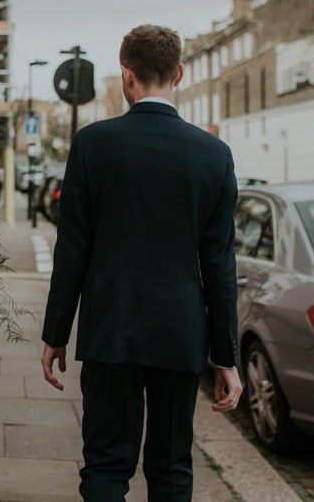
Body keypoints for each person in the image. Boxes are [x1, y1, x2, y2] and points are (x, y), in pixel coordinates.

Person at [41, 25, 243, 501]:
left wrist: (55, 333)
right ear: (179, 74)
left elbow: (72, 249)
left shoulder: (93, 144)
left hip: (110, 327)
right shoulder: (214, 155)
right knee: (172, 467)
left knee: (107, 465)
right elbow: (219, 265)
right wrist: (226, 358)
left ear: (126, 76)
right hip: (180, 333)